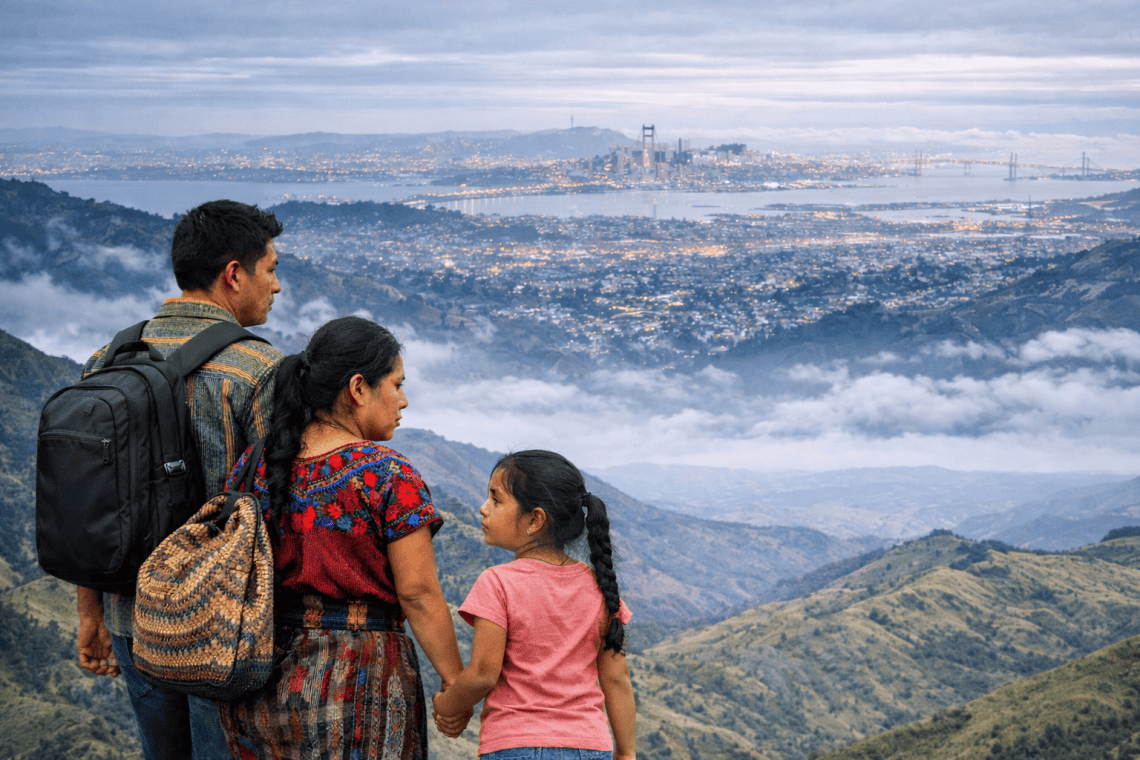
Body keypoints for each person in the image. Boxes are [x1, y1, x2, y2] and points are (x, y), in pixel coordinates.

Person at [75, 199, 285, 760]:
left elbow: (89, 504)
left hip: (130, 616)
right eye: (271, 269)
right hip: (224, 632)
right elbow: (281, 509)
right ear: (233, 274)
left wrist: (89, 615)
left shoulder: (105, 361)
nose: (278, 286)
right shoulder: (258, 370)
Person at [220, 315, 465, 760]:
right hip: (360, 685)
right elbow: (419, 593)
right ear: (358, 389)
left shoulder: (255, 465)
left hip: (259, 680)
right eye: (395, 385)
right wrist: (455, 682)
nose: (403, 401)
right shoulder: (388, 474)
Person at [431, 450, 637, 760]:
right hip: (590, 746)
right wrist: (626, 752)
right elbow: (616, 678)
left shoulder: (497, 582)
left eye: (496, 500)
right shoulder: (599, 587)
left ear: (535, 520)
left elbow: (484, 673)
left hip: (517, 744)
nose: (483, 509)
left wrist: (446, 706)